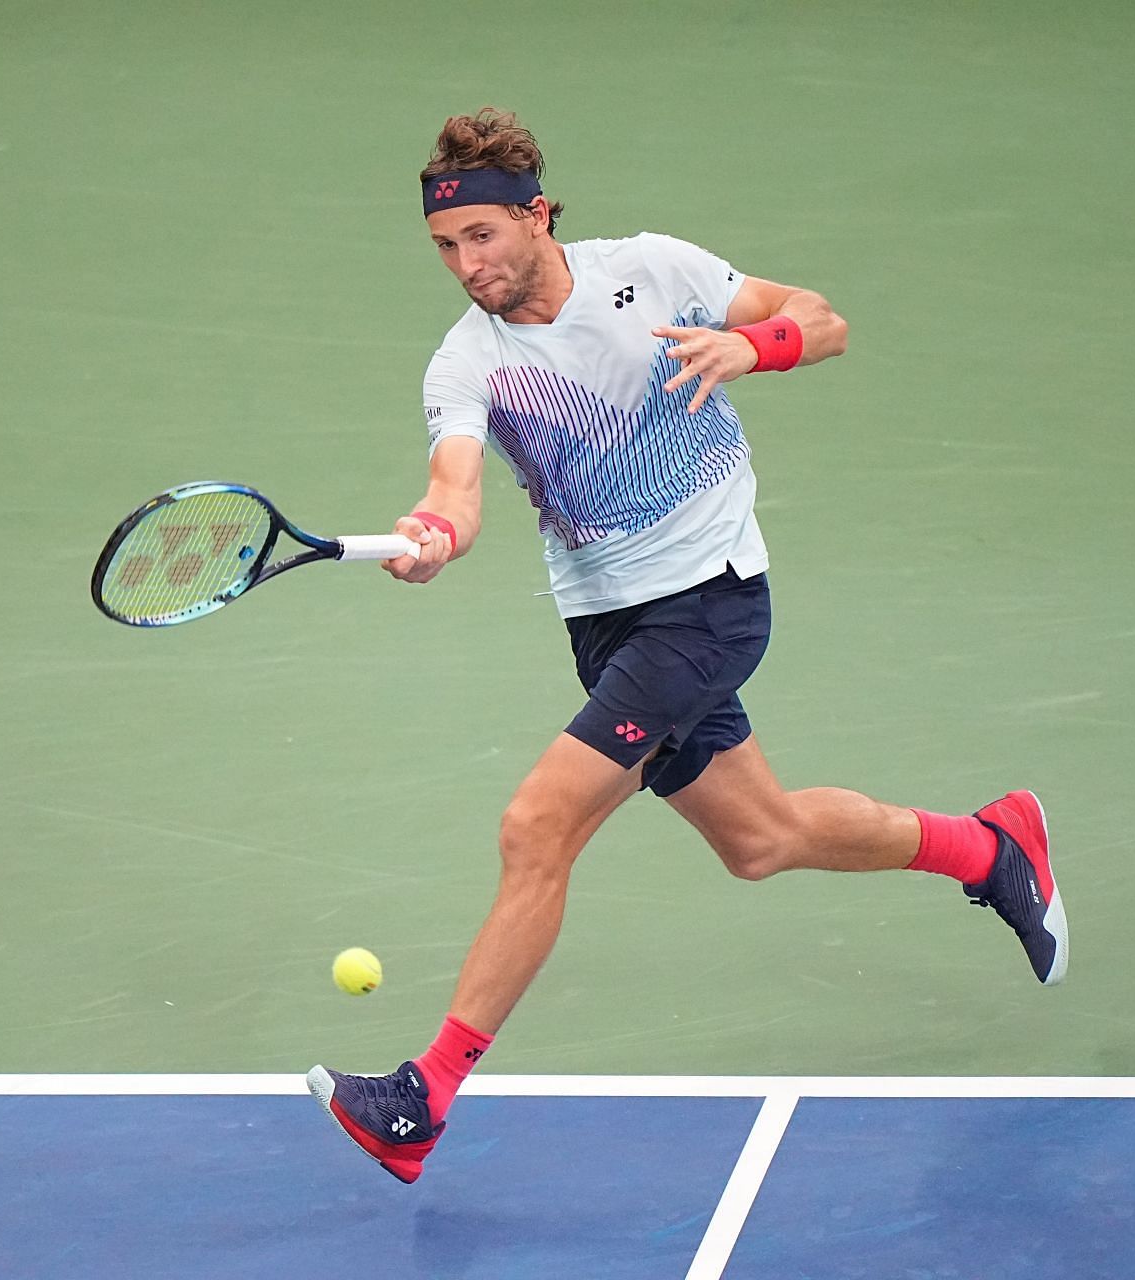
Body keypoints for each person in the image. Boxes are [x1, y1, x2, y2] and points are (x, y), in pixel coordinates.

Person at [306, 108, 1065, 1184]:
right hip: (609, 625)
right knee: (762, 837)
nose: (465, 264)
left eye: (481, 236)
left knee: (537, 826)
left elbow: (823, 318)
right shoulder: (465, 362)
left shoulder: (654, 272)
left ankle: (424, 1096)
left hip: (706, 601)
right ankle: (992, 847)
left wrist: (752, 345)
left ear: (535, 215)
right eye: (445, 246)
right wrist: (436, 535)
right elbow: (455, 487)